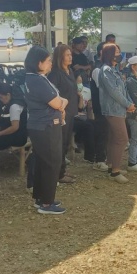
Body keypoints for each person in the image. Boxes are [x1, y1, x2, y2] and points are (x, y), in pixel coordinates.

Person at [23, 46, 67, 214]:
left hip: (40, 125)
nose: (50, 63)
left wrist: (61, 102)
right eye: (48, 61)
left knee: (44, 162)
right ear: (39, 63)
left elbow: (56, 100)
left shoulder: (34, 78)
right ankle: (47, 203)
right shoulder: (37, 80)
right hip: (46, 125)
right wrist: (64, 103)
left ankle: (41, 198)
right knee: (52, 162)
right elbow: (56, 102)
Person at [99, 43, 135, 183]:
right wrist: (127, 104)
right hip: (113, 109)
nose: (120, 55)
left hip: (119, 109)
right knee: (122, 139)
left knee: (114, 138)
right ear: (109, 54)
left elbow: (122, 90)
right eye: (117, 52)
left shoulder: (115, 70)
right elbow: (113, 92)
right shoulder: (106, 70)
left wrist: (129, 103)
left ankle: (111, 166)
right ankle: (115, 171)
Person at [49, 44, 79, 184]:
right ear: (60, 57)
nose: (70, 57)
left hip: (71, 111)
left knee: (66, 142)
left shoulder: (69, 71)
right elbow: (53, 94)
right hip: (61, 113)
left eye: (70, 54)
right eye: (67, 55)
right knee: (60, 143)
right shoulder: (55, 73)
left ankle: (62, 169)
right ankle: (58, 174)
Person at [73, 75, 96, 163]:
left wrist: (81, 97)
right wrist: (75, 112)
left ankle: (96, 153)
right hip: (70, 119)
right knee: (88, 126)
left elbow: (80, 108)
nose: (80, 84)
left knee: (94, 123)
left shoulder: (83, 92)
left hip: (80, 117)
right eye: (78, 82)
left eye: (81, 82)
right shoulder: (68, 92)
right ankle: (89, 156)